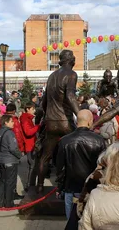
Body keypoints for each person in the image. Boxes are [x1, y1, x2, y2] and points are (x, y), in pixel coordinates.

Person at [36, 49, 80, 193]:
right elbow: (70, 97)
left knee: (45, 155)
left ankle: (40, 185)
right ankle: (67, 186)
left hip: (51, 122)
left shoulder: (52, 76)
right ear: (72, 61)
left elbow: (44, 102)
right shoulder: (72, 74)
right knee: (73, 155)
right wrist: (80, 115)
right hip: (65, 121)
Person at [56, 109, 107, 220]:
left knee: (72, 221)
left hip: (72, 186)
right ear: (90, 121)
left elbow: (60, 167)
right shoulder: (99, 140)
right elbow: (104, 166)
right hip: (93, 187)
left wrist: (60, 187)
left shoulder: (64, 141)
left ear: (76, 122)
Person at [0, 115, 23, 208]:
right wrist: (20, 155)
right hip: (10, 160)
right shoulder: (10, 133)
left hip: (2, 160)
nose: (13, 123)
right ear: (6, 122)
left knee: (2, 181)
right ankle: (9, 203)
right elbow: (13, 148)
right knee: (10, 182)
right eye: (11, 121)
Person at [20, 102, 40, 191]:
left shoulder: (27, 118)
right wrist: (38, 127)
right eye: (33, 109)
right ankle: (29, 185)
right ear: (28, 109)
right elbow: (28, 132)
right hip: (29, 145)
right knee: (33, 165)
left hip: (31, 144)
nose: (34, 111)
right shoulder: (25, 119)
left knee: (33, 165)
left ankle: (31, 184)